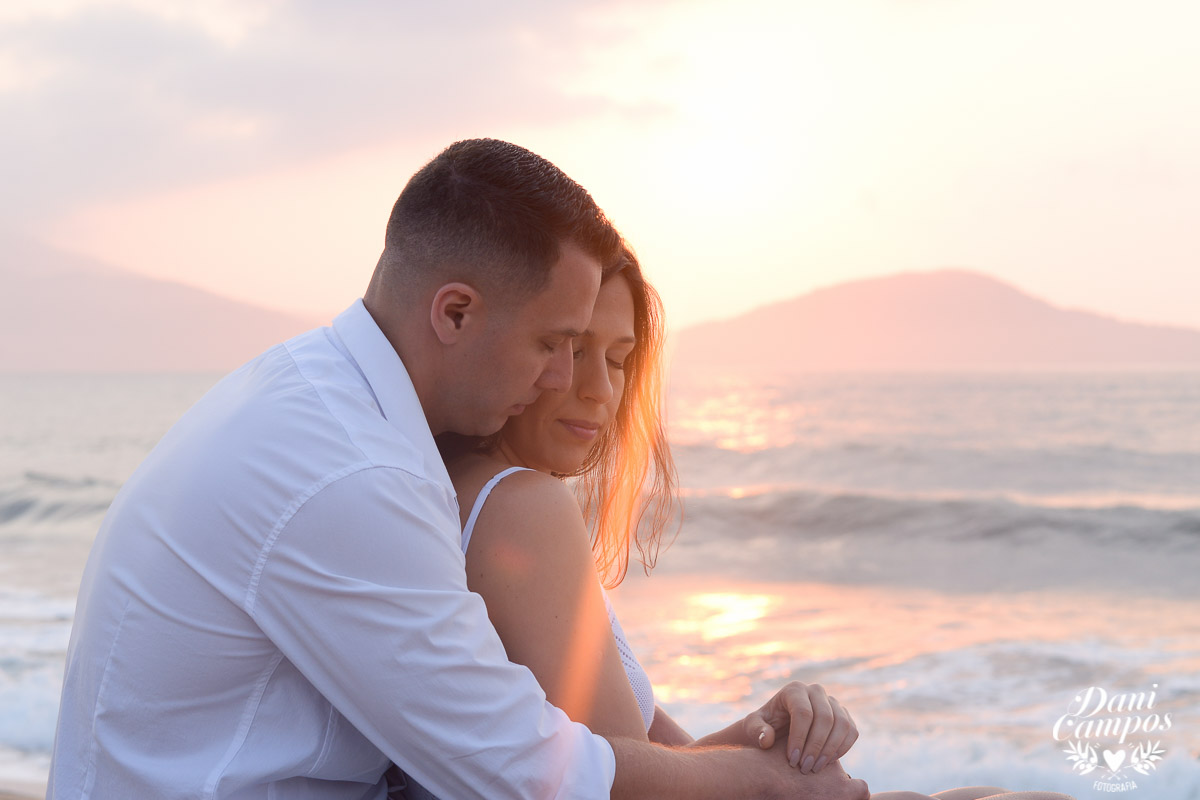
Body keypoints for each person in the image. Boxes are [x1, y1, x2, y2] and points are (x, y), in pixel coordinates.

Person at [48, 138, 870, 800]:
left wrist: (751, 764)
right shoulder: (351, 473)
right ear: (455, 312)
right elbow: (523, 774)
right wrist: (763, 786)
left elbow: (566, 756)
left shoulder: (319, 401)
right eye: (554, 343)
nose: (564, 381)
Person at [436, 251, 1076, 800]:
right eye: (572, 349)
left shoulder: (473, 492)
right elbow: (624, 787)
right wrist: (772, 778)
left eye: (621, 358)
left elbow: (644, 765)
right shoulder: (522, 505)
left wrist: (758, 733)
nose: (601, 389)